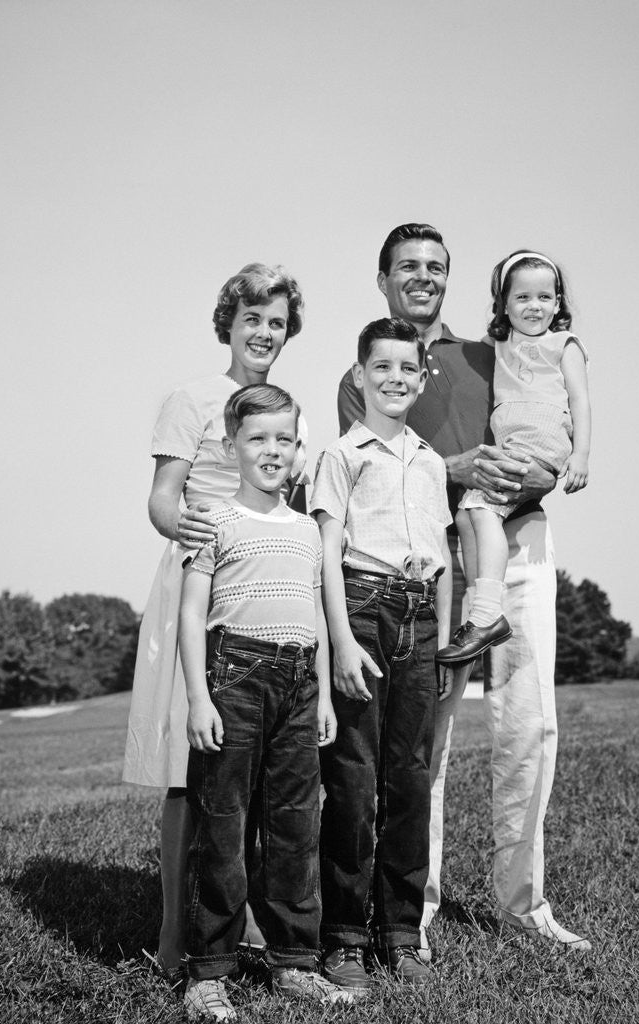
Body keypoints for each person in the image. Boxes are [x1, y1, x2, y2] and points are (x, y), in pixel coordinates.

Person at [337, 223, 591, 955]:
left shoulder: (492, 349)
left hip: (522, 541)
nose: (423, 277)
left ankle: (524, 903)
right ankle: (415, 906)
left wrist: (546, 467)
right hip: (430, 558)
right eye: (408, 267)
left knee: (530, 724)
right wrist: (462, 467)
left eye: (436, 267)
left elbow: (555, 416)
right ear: (382, 278)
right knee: (429, 736)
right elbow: (377, 468)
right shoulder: (367, 371)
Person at [122, 264, 305, 980]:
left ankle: (248, 921)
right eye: (253, 318)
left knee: (254, 771)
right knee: (186, 775)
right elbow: (161, 500)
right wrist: (191, 529)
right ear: (229, 321)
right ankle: (172, 935)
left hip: (263, 594)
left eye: (278, 322)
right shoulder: (191, 399)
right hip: (198, 588)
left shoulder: (290, 413)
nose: (265, 332)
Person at [179, 383, 350, 1022]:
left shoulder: (307, 529)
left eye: (284, 438)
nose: (271, 450)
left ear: (299, 447)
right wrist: (200, 698)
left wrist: (326, 696)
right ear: (232, 447)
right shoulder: (215, 521)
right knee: (223, 824)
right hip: (234, 677)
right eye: (257, 439)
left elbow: (315, 615)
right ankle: (209, 973)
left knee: (295, 827)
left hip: (300, 683)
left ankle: (294, 963)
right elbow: (193, 614)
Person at [312, 317, 453, 993]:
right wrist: (340, 640)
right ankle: (342, 935)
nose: (396, 378)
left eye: (408, 368)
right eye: (383, 367)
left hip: (419, 620)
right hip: (363, 614)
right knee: (353, 779)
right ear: (360, 376)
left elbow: (444, 560)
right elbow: (328, 557)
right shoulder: (342, 455)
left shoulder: (429, 462)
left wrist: (447, 645)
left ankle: (399, 932)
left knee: (410, 779)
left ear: (421, 379)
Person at [437, 249, 591, 667]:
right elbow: (460, 357)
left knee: (481, 506)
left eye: (545, 297)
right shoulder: (500, 343)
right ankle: (481, 606)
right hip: (513, 439)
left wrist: (580, 456)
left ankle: (486, 614)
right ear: (503, 303)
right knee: (470, 509)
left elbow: (580, 401)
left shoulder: (564, 344)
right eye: (522, 297)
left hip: (538, 437)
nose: (534, 306)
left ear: (558, 302)